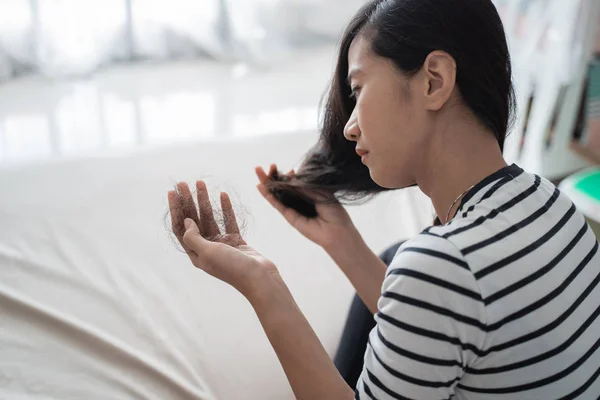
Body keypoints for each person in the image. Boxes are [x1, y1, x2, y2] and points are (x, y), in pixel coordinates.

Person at [167, 0, 600, 398]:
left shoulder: (441, 267)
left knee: (398, 258)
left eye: (357, 90)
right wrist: (343, 243)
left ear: (434, 81)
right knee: (392, 257)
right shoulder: (555, 205)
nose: (350, 127)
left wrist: (262, 285)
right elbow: (446, 329)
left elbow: (437, 296)